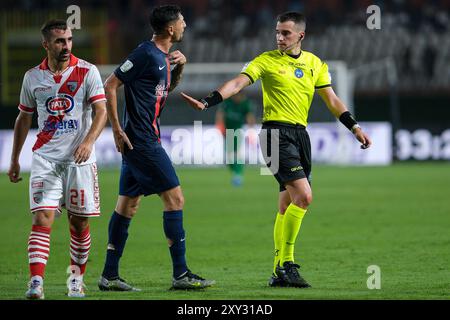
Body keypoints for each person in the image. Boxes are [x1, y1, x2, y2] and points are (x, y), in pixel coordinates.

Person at [181, 12, 372, 288]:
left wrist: (354, 127)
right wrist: (208, 101)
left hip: (300, 135)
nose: (280, 37)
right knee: (304, 197)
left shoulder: (315, 64)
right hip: (273, 135)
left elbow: (331, 100)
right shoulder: (266, 61)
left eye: (286, 33)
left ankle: (277, 272)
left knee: (286, 205)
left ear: (301, 36)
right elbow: (238, 83)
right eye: (278, 32)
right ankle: (287, 264)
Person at [98, 5, 215, 291]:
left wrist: (181, 67)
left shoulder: (161, 57)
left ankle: (109, 276)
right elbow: (110, 85)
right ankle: (181, 274)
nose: (185, 24)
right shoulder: (145, 54)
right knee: (175, 200)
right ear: (170, 29)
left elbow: (163, 91)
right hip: (141, 141)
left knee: (128, 205)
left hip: (141, 140)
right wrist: (116, 128)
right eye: (182, 21)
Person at [7, 19, 107, 299]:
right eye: (60, 41)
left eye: (69, 40)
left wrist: (88, 141)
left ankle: (75, 280)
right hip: (45, 159)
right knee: (42, 218)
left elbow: (102, 112)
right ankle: (36, 283)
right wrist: (14, 159)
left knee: (79, 224)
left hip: (80, 161)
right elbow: (24, 118)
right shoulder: (32, 77)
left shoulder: (87, 71)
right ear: (46, 44)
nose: (66, 46)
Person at [215, 92, 256, 186]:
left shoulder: (245, 103)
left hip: (237, 131)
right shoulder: (227, 102)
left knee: (236, 154)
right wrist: (220, 126)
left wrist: (251, 130)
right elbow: (220, 115)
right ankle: (234, 172)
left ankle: (238, 174)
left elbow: (249, 117)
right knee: (229, 155)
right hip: (227, 131)